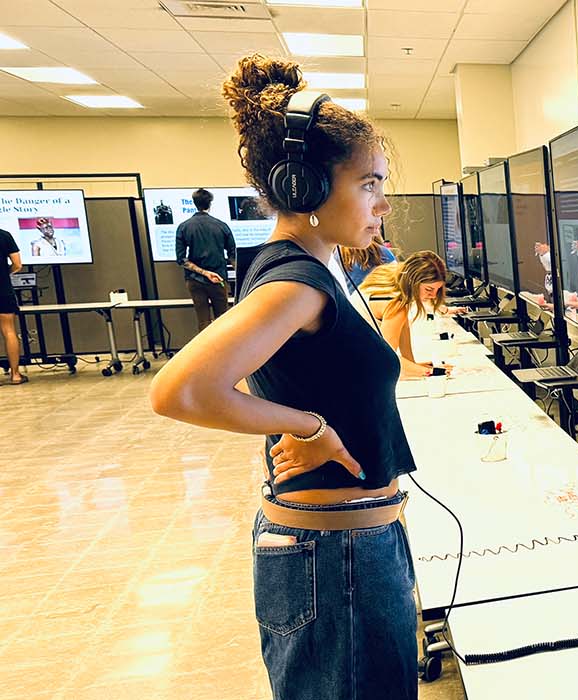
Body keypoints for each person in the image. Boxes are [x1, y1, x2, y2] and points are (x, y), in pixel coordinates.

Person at [148, 54, 418, 700]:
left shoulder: (312, 270)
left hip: (345, 548)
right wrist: (309, 425)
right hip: (336, 560)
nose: (382, 202)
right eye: (367, 184)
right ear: (304, 187)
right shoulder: (294, 284)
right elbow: (178, 391)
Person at [358, 251, 453, 379]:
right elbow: (386, 359)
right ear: (413, 282)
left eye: (438, 290)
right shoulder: (395, 304)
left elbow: (403, 329)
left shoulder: (388, 277)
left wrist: (413, 365)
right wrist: (434, 372)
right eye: (429, 289)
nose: (434, 296)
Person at [174, 188, 237, 331]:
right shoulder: (221, 226)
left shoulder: (183, 227)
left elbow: (181, 259)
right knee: (222, 319)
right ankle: (225, 351)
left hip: (194, 280)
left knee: (203, 321)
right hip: (219, 279)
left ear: (194, 203)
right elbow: (233, 255)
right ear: (210, 203)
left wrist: (203, 272)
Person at [0, 227, 24, 385]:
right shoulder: (4, 235)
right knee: (9, 331)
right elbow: (17, 264)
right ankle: (15, 375)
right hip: (3, 289)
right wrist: (4, 272)